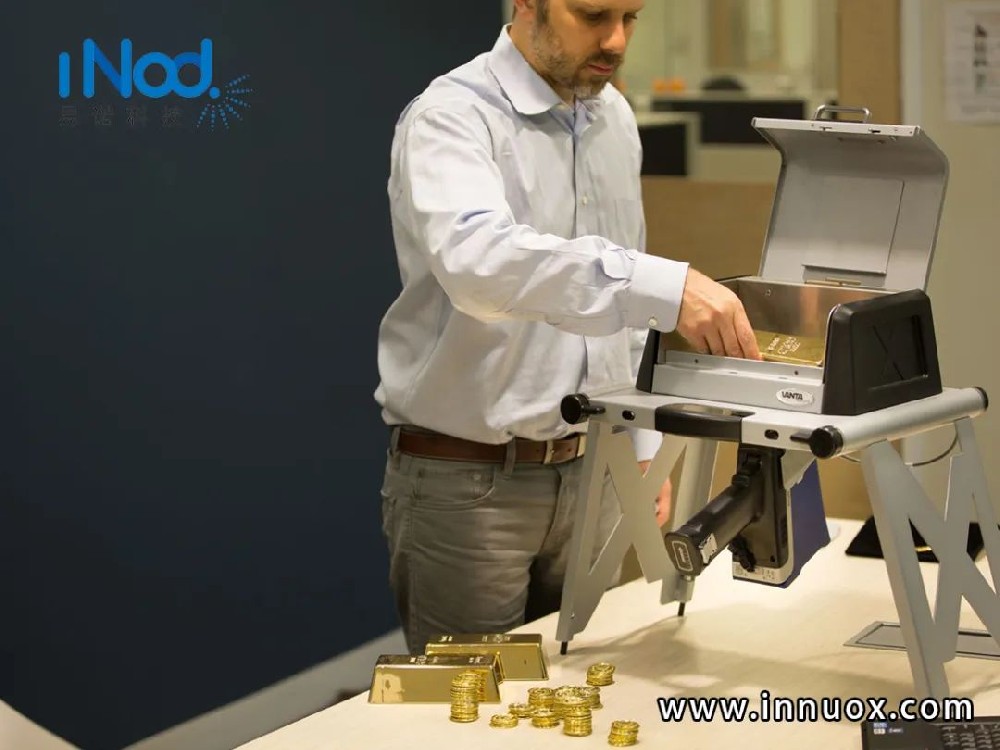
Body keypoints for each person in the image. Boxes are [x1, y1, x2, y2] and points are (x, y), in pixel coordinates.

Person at [375, 0, 760, 654]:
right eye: (593, 14)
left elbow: (618, 308)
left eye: (630, 17)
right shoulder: (453, 116)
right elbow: (481, 267)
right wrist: (663, 286)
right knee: (471, 703)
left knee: (585, 690)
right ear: (527, 4)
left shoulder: (614, 117)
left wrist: (642, 443)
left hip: (597, 469)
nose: (616, 40)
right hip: (471, 486)